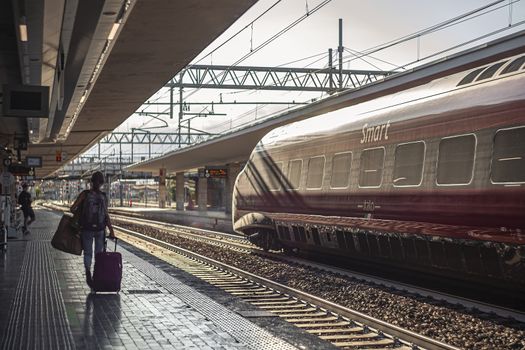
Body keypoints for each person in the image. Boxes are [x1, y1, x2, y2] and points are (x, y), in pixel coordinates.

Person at [70, 172, 115, 288]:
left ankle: (88, 272)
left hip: (87, 229)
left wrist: (80, 215)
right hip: (100, 229)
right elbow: (106, 215)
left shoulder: (85, 194)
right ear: (101, 183)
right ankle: (97, 274)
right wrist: (111, 230)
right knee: (98, 254)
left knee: (88, 253)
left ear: (91, 181)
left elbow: (72, 208)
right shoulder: (103, 196)